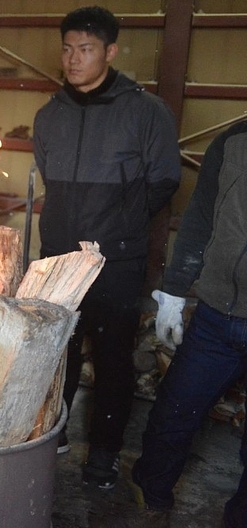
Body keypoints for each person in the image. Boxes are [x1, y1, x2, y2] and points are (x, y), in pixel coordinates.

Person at [33, 5, 181, 490]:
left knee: (114, 359)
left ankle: (103, 453)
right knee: (58, 354)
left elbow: (163, 181)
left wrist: (115, 228)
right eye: (68, 48)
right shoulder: (49, 114)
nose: (74, 59)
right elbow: (49, 177)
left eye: (87, 49)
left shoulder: (146, 112)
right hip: (58, 258)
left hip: (115, 259)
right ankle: (50, 438)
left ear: (111, 52)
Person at [131, 121, 247, 526]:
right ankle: (153, 502)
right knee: (172, 416)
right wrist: (174, 294)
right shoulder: (234, 139)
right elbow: (199, 219)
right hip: (216, 316)